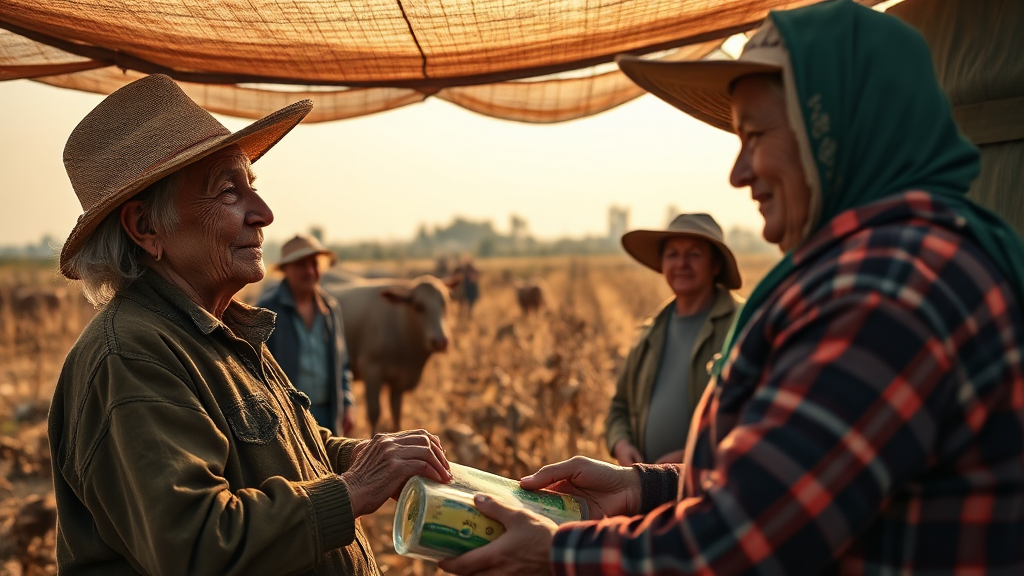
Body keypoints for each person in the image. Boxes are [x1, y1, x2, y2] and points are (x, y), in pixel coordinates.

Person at [439, 1, 1024, 574]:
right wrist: (642, 488)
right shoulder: (901, 259)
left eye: (755, 136)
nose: (738, 173)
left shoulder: (887, 286)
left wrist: (559, 552)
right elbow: (787, 482)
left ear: (837, 130)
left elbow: (755, 539)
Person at [48, 74, 452, 576]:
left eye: (252, 188)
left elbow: (287, 449)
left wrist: (363, 456)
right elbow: (195, 545)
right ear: (145, 228)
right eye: (227, 192)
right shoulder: (131, 358)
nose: (263, 214)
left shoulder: (218, 330)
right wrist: (353, 491)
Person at [605, 213, 741, 465]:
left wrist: (691, 455)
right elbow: (619, 408)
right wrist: (621, 443)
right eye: (672, 255)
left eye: (694, 254)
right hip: (645, 492)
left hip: (712, 484)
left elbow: (751, 414)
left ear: (715, 265)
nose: (682, 264)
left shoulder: (743, 325)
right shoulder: (649, 332)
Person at [259, 234, 355, 436]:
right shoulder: (266, 311)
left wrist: (347, 404)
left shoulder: (331, 308)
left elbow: (342, 365)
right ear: (285, 269)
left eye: (314, 264)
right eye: (301, 265)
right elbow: (257, 373)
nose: (310, 271)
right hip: (288, 417)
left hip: (328, 413)